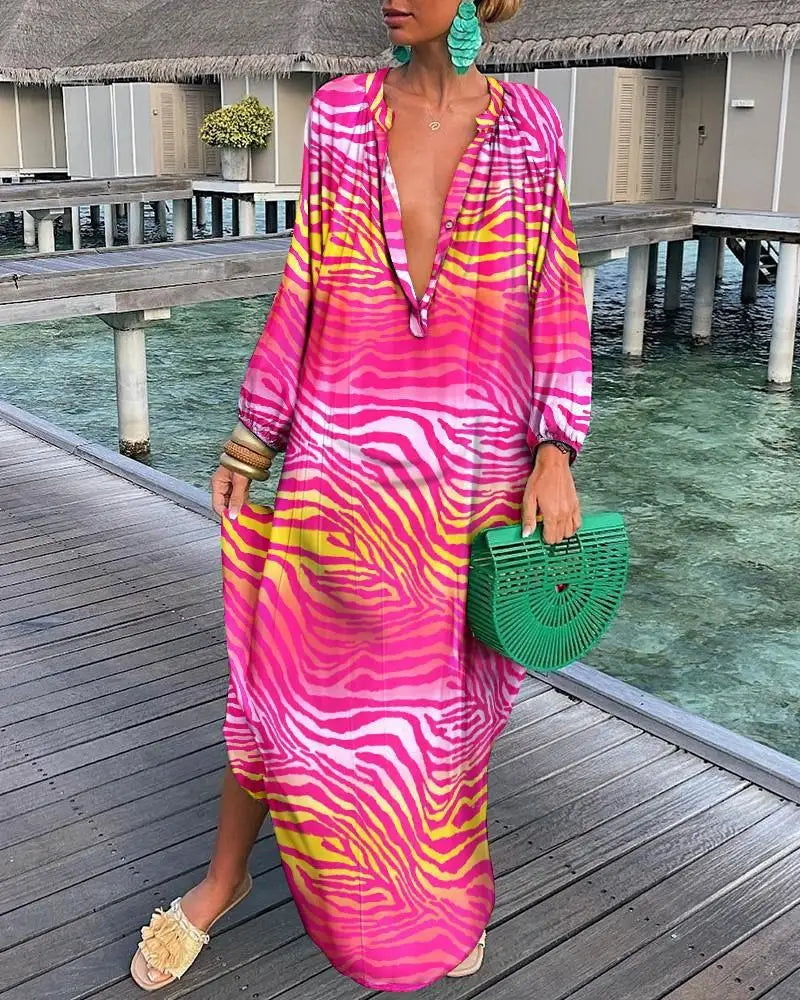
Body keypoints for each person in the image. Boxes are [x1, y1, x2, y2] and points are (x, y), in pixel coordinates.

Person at [130, 0, 591, 991]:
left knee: (439, 722)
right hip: (338, 474)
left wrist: (556, 446)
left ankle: (444, 895)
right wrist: (253, 436)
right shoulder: (339, 116)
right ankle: (223, 880)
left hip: (468, 485)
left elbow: (554, 291)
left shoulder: (529, 127)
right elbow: (303, 284)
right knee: (275, 691)